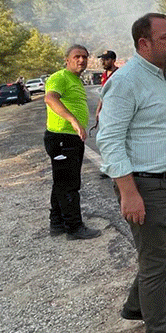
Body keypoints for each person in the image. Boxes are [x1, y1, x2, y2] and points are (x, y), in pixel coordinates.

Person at [97, 13, 166, 333]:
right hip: (146, 185)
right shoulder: (125, 81)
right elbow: (109, 139)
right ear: (144, 43)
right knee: (155, 265)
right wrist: (128, 191)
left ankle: (134, 305)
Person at [43, 45, 102, 240]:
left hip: (70, 139)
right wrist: (73, 120)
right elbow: (50, 98)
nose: (81, 60)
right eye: (77, 57)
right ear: (67, 60)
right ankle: (74, 228)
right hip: (62, 137)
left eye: (85, 57)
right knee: (69, 184)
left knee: (61, 182)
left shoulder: (75, 80)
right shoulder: (60, 77)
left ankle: (57, 223)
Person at [93, 50, 118, 130]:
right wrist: (98, 109)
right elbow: (102, 94)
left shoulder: (119, 74)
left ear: (114, 61)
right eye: (102, 60)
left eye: (106, 60)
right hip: (105, 110)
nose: (103, 62)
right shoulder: (104, 74)